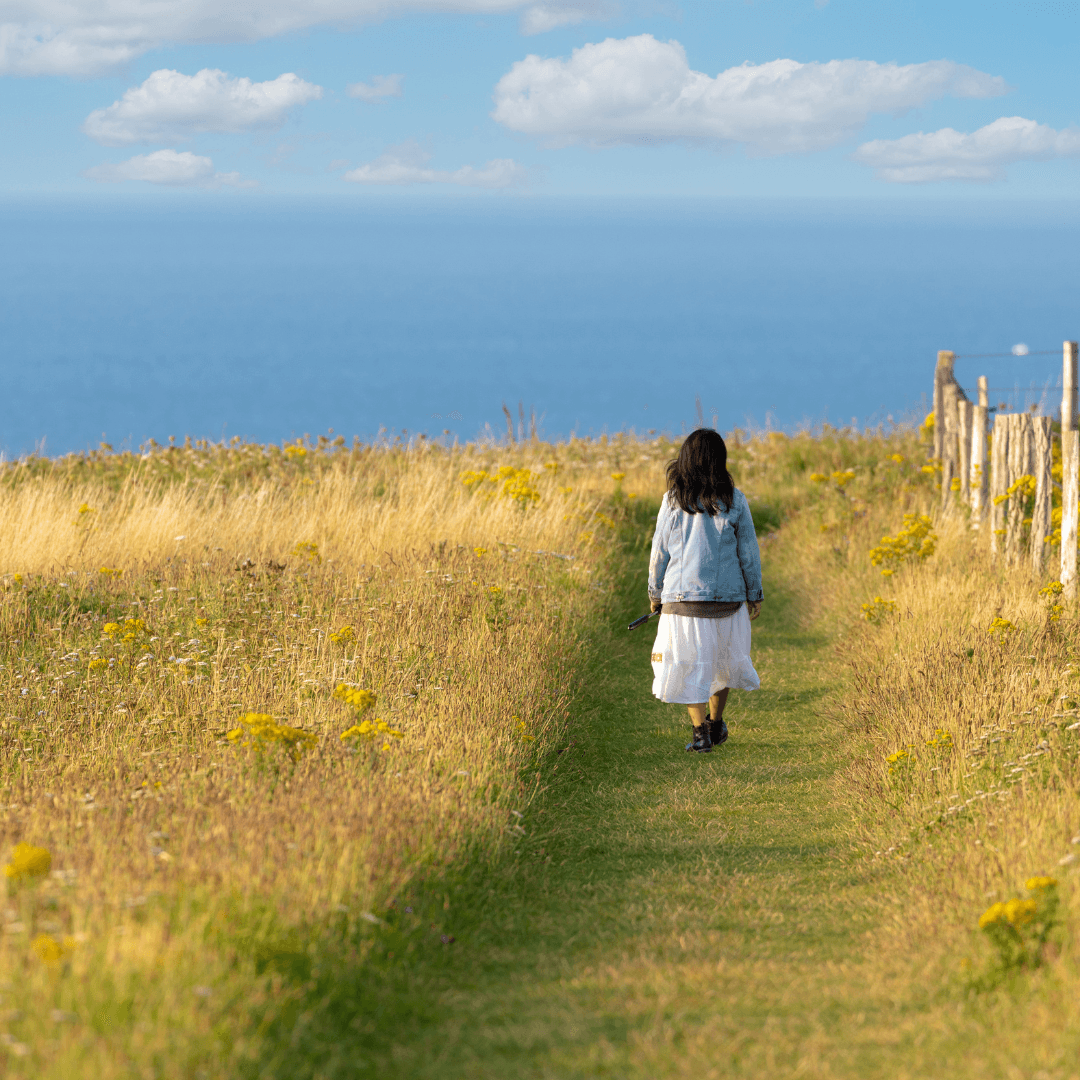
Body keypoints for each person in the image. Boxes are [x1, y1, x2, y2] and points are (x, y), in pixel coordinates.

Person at [647, 428, 763, 753]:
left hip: (681, 601)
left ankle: (700, 733)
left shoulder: (672, 501)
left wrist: (655, 594)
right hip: (728, 602)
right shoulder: (735, 500)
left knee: (688, 663)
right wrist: (754, 593)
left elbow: (659, 551)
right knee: (721, 663)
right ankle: (715, 723)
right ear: (720, 461)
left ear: (684, 460)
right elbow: (748, 552)